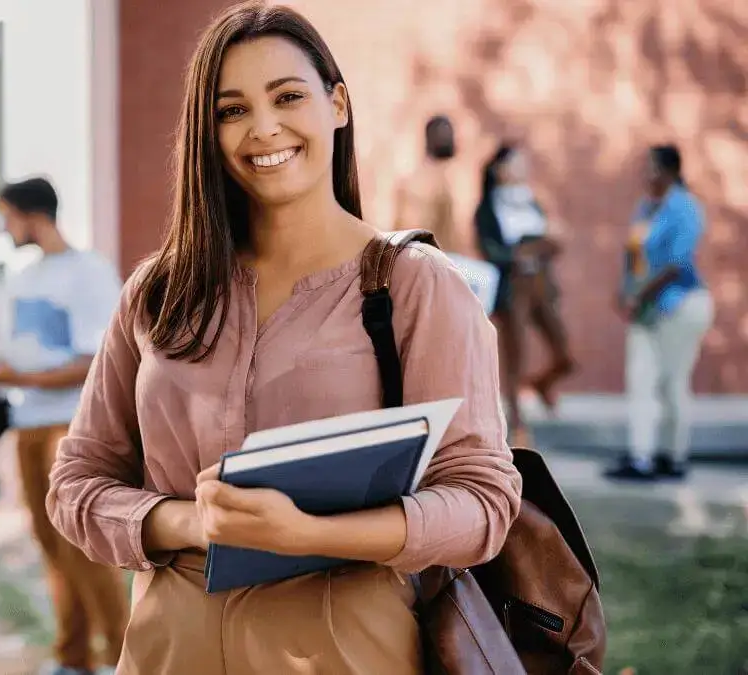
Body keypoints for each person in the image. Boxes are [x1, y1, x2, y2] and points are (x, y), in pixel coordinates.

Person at [44, 4, 522, 674]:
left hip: (345, 650)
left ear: (338, 105)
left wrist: (312, 535)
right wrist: (192, 521)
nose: (263, 128)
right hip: (167, 652)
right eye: (231, 109)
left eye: (288, 96)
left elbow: (482, 502)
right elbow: (75, 484)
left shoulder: (416, 287)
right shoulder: (157, 291)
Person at [0, 177, 129, 675]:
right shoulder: (21, 278)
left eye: (8, 217)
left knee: (82, 547)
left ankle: (125, 658)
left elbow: (97, 358)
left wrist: (19, 375)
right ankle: (73, 658)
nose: (5, 227)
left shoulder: (89, 272)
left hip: (72, 424)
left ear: (31, 215)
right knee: (50, 546)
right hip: (27, 422)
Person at [606, 144, 713, 481]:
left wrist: (639, 295)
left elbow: (676, 265)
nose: (645, 174)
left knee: (667, 381)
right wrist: (625, 291)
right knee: (647, 380)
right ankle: (650, 455)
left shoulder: (684, 208)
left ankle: (664, 456)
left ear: (669, 171)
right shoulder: (646, 209)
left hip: (678, 306)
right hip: (648, 308)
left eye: (651, 167)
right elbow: (634, 254)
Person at [474, 143, 574, 444]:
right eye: (516, 163)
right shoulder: (488, 207)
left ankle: (544, 382)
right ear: (500, 169)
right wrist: (520, 254)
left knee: (565, 352)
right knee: (515, 358)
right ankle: (517, 426)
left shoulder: (531, 201)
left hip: (541, 286)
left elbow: (551, 241)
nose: (522, 169)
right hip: (512, 287)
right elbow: (490, 249)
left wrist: (541, 247)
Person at [394, 115, 464, 254]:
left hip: (442, 257)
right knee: (488, 275)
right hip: (429, 258)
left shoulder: (447, 176)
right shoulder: (418, 182)